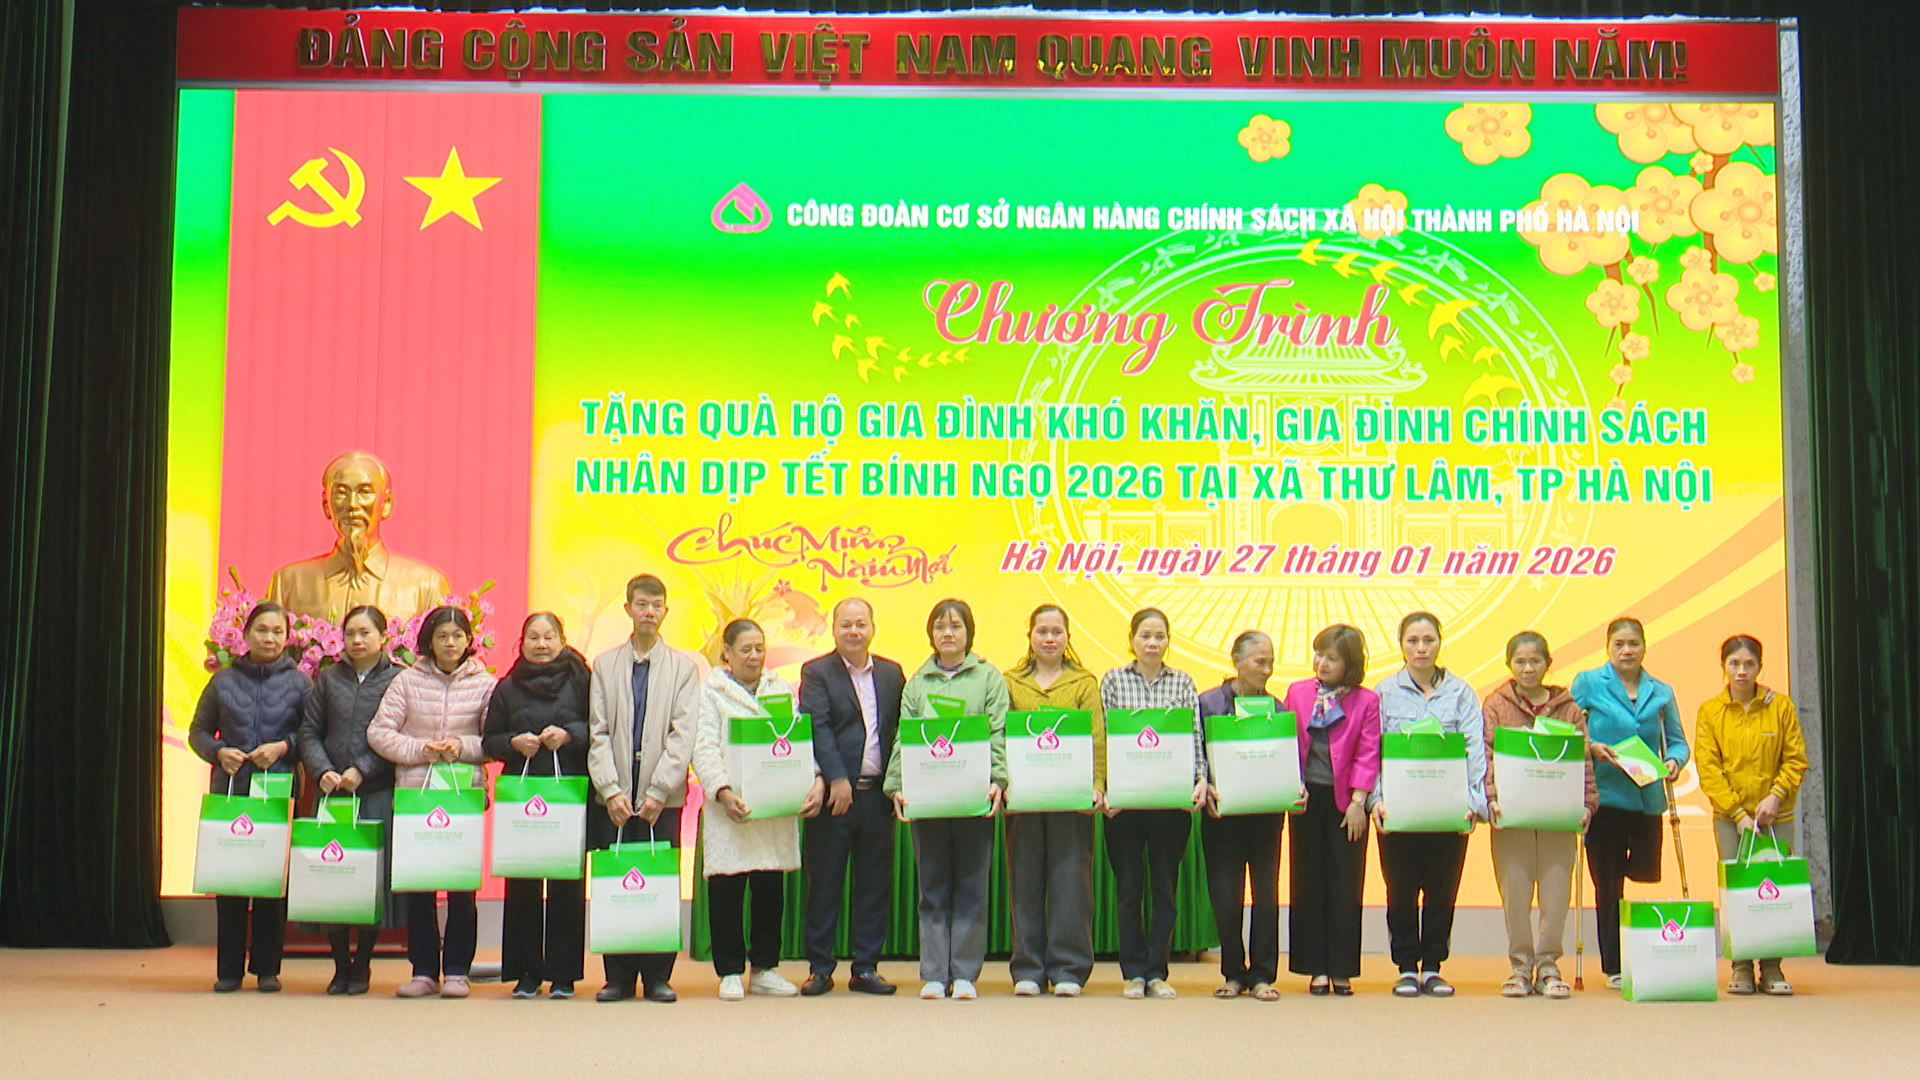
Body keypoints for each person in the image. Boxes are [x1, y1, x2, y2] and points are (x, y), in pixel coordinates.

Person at [691, 618, 826, 1000]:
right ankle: (730, 971)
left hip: (773, 807)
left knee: (769, 888)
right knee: (727, 889)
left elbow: (798, 740)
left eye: (759, 649)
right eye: (745, 649)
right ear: (727, 653)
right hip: (731, 806)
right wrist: (721, 790)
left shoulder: (779, 689)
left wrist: (815, 777)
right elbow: (703, 746)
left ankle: (765, 968)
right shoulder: (710, 692)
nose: (754, 656)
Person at [368, 605, 497, 999]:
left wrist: (462, 747)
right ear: (429, 640)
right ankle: (423, 970)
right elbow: (379, 733)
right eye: (442, 636)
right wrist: (421, 750)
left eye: (457, 636)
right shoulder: (407, 680)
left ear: (469, 641)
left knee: (462, 887)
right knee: (419, 886)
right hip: (416, 793)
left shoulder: (485, 684)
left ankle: (457, 970)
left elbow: (494, 739)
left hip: (462, 794)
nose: (450, 643)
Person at [885, 598, 1010, 1001]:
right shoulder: (918, 682)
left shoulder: (988, 677)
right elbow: (904, 736)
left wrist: (999, 779)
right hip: (928, 799)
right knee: (933, 887)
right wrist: (896, 784)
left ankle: (966, 974)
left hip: (974, 797)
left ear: (969, 632)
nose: (948, 633)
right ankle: (935, 974)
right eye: (940, 626)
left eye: (956, 626)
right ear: (931, 634)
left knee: (972, 886)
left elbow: (998, 732)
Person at [585, 574, 701, 1003]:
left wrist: (658, 790)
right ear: (628, 609)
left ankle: (657, 977)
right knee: (616, 883)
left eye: (656, 605)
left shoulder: (684, 669)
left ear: (666, 611)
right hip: (614, 796)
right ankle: (617, 977)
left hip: (661, 799)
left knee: (658, 883)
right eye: (641, 604)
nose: (649, 612)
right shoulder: (604, 665)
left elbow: (682, 735)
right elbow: (598, 733)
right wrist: (610, 789)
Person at [189, 601, 311, 993]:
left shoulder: (300, 683)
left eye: (278, 631)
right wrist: (218, 752)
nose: (269, 638)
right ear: (245, 635)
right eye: (262, 630)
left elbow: (311, 735)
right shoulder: (223, 681)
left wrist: (283, 748)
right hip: (231, 790)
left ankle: (267, 968)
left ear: (287, 637)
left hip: (277, 790)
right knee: (230, 882)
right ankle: (228, 969)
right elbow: (198, 732)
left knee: (271, 883)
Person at [1370, 612, 1487, 998]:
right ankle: (1406, 967)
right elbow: (1373, 750)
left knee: (1442, 890)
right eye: (1413, 640)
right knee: (1400, 890)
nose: (1421, 648)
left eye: (1428, 640)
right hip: (1399, 811)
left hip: (1448, 812)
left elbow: (1474, 749)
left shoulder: (1461, 693)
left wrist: (1473, 802)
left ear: (1440, 643)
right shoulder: (1384, 692)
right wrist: (1376, 800)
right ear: (1401, 645)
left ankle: (1434, 967)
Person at [1570, 616, 1689, 991]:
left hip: (1645, 799)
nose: (1626, 650)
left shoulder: (1661, 692)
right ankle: (1614, 964)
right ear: (1608, 648)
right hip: (1604, 799)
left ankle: (1653, 951)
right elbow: (1568, 727)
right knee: (1608, 885)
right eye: (1619, 644)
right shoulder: (1589, 682)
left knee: (1643, 873)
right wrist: (1591, 746)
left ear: (1644, 647)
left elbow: (1677, 741)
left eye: (1633, 644)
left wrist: (1675, 761)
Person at [797, 597, 904, 996]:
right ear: (834, 629)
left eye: (861, 624)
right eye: (846, 624)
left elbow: (898, 730)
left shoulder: (892, 673)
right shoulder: (817, 672)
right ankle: (820, 968)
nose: (854, 631)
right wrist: (837, 777)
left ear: (873, 628)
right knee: (824, 883)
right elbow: (817, 726)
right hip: (835, 798)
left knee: (874, 884)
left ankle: (866, 967)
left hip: (877, 797)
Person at [1098, 608, 1206, 1000]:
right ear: (1132, 640)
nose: (1152, 643)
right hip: (1124, 805)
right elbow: (1103, 737)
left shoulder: (1183, 682)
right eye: (1145, 635)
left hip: (1169, 804)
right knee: (1129, 890)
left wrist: (1200, 778)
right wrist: (1103, 788)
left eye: (1160, 636)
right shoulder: (1113, 680)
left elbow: (1194, 735)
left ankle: (1157, 971)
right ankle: (1133, 973)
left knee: (1164, 889)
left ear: (1167, 641)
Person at [1482, 631, 1597, 1000]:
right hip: (1511, 816)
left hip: (1557, 816)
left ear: (1548, 663)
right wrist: (1490, 798)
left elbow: (1583, 759)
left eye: (1535, 661)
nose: (1528, 668)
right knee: (1514, 892)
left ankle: (1548, 965)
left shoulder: (1569, 708)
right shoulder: (1495, 705)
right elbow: (1486, 755)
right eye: (1520, 661)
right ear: (1509, 665)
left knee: (1556, 891)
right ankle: (1519, 967)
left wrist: (1587, 803)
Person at [483, 612, 592, 999]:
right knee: (523, 884)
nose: (542, 644)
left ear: (562, 640)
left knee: (566, 885)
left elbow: (600, 728)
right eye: (534, 637)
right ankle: (526, 973)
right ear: (522, 642)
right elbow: (489, 740)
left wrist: (570, 734)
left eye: (549, 636)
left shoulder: (582, 679)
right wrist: (513, 743)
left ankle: (563, 974)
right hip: (523, 798)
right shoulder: (508, 686)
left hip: (567, 794)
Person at [296, 605, 403, 995]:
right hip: (332, 793)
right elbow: (309, 732)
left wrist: (363, 769)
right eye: (351, 633)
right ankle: (340, 964)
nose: (357, 640)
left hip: (374, 792)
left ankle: (362, 965)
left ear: (383, 637)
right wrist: (322, 770)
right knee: (332, 879)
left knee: (368, 882)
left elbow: (398, 734)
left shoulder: (399, 679)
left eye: (365, 633)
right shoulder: (328, 678)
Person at [1695, 634, 1808, 996]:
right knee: (1738, 892)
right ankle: (1741, 966)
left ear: (1760, 667)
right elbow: (1708, 768)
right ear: (1723, 667)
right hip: (1731, 819)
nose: (1741, 671)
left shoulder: (1781, 707)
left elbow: (1795, 759)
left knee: (1773, 892)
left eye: (1749, 664)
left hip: (1777, 817)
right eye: (1734, 664)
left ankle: (1772, 967)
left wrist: (1776, 797)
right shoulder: (1710, 711)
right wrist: (1737, 813)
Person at [1002, 604, 1104, 998]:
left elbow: (1097, 738)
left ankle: (1068, 969)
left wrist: (1097, 784)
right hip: (1024, 800)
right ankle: (1027, 968)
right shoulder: (1010, 682)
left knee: (1071, 883)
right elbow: (1000, 736)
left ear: (1067, 637)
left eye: (1056, 631)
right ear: (1029, 636)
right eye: (1042, 631)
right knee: (1024, 882)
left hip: (1071, 800)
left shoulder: (1084, 683)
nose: (1049, 638)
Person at [1281, 624, 1380, 996]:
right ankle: (1315, 967)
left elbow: (1368, 753)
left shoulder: (1366, 701)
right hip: (1306, 799)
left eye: (1332, 658)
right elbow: (1286, 743)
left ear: (1350, 664)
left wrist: (1358, 802)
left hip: (1347, 802)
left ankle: (1341, 968)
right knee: (1308, 880)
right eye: (1319, 654)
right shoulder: (1298, 692)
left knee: (1345, 883)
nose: (1322, 663)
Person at [1197, 630, 1283, 1001]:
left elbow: (1285, 760)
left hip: (1266, 814)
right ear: (1236, 661)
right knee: (1225, 895)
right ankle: (1233, 972)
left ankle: (1263, 974)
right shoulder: (1208, 703)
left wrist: (1294, 786)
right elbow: (1196, 753)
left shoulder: (1278, 709)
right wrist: (1205, 784)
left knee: (1266, 894)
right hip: (1222, 814)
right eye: (1259, 661)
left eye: (1270, 662)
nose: (1266, 669)